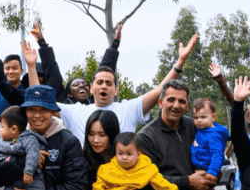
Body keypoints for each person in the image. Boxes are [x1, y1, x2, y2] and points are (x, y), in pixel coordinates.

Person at [58, 32, 194, 144]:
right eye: (100, 82)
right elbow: (42, 102)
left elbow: (160, 90)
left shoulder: (128, 109)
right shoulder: (75, 112)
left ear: (116, 90)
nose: (104, 86)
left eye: (109, 83)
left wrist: (180, 62)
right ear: (92, 89)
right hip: (87, 175)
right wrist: (34, 66)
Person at [189, 98, 227, 190]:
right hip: (198, 165)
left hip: (206, 168)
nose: (199, 121)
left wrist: (213, 171)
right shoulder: (201, 131)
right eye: (196, 118)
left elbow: (217, 154)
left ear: (214, 116)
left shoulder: (214, 134)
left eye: (203, 117)